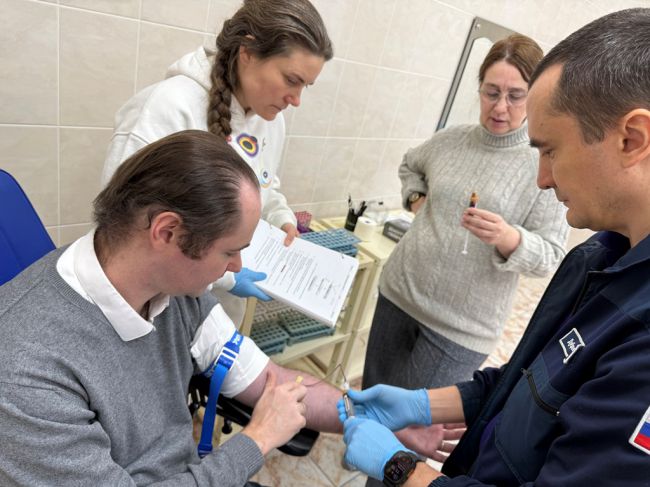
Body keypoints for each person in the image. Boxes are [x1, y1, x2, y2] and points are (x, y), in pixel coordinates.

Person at [340, 8, 650, 486]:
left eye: (550, 150)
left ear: (632, 139)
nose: (543, 178)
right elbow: (529, 379)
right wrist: (424, 403)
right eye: (491, 92)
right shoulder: (601, 258)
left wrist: (399, 468)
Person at [0, 131, 343, 486]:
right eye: (229, 251)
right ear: (167, 232)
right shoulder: (24, 372)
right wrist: (257, 440)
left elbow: (266, 378)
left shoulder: (175, 288)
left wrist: (358, 413)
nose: (237, 267)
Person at [101, 0, 333, 326]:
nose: (296, 100)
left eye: (305, 86)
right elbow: (120, 230)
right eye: (290, 79)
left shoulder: (270, 120)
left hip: (220, 316)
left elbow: (265, 185)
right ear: (247, 51)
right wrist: (226, 277)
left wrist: (280, 217)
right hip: (157, 310)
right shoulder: (166, 109)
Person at [362, 34, 569, 397]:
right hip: (399, 295)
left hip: (460, 331)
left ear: (534, 96)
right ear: (479, 90)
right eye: (491, 92)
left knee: (413, 423)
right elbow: (411, 165)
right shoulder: (450, 140)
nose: (500, 107)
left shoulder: (544, 163)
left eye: (515, 95)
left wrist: (509, 238)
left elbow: (550, 255)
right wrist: (416, 199)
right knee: (371, 397)